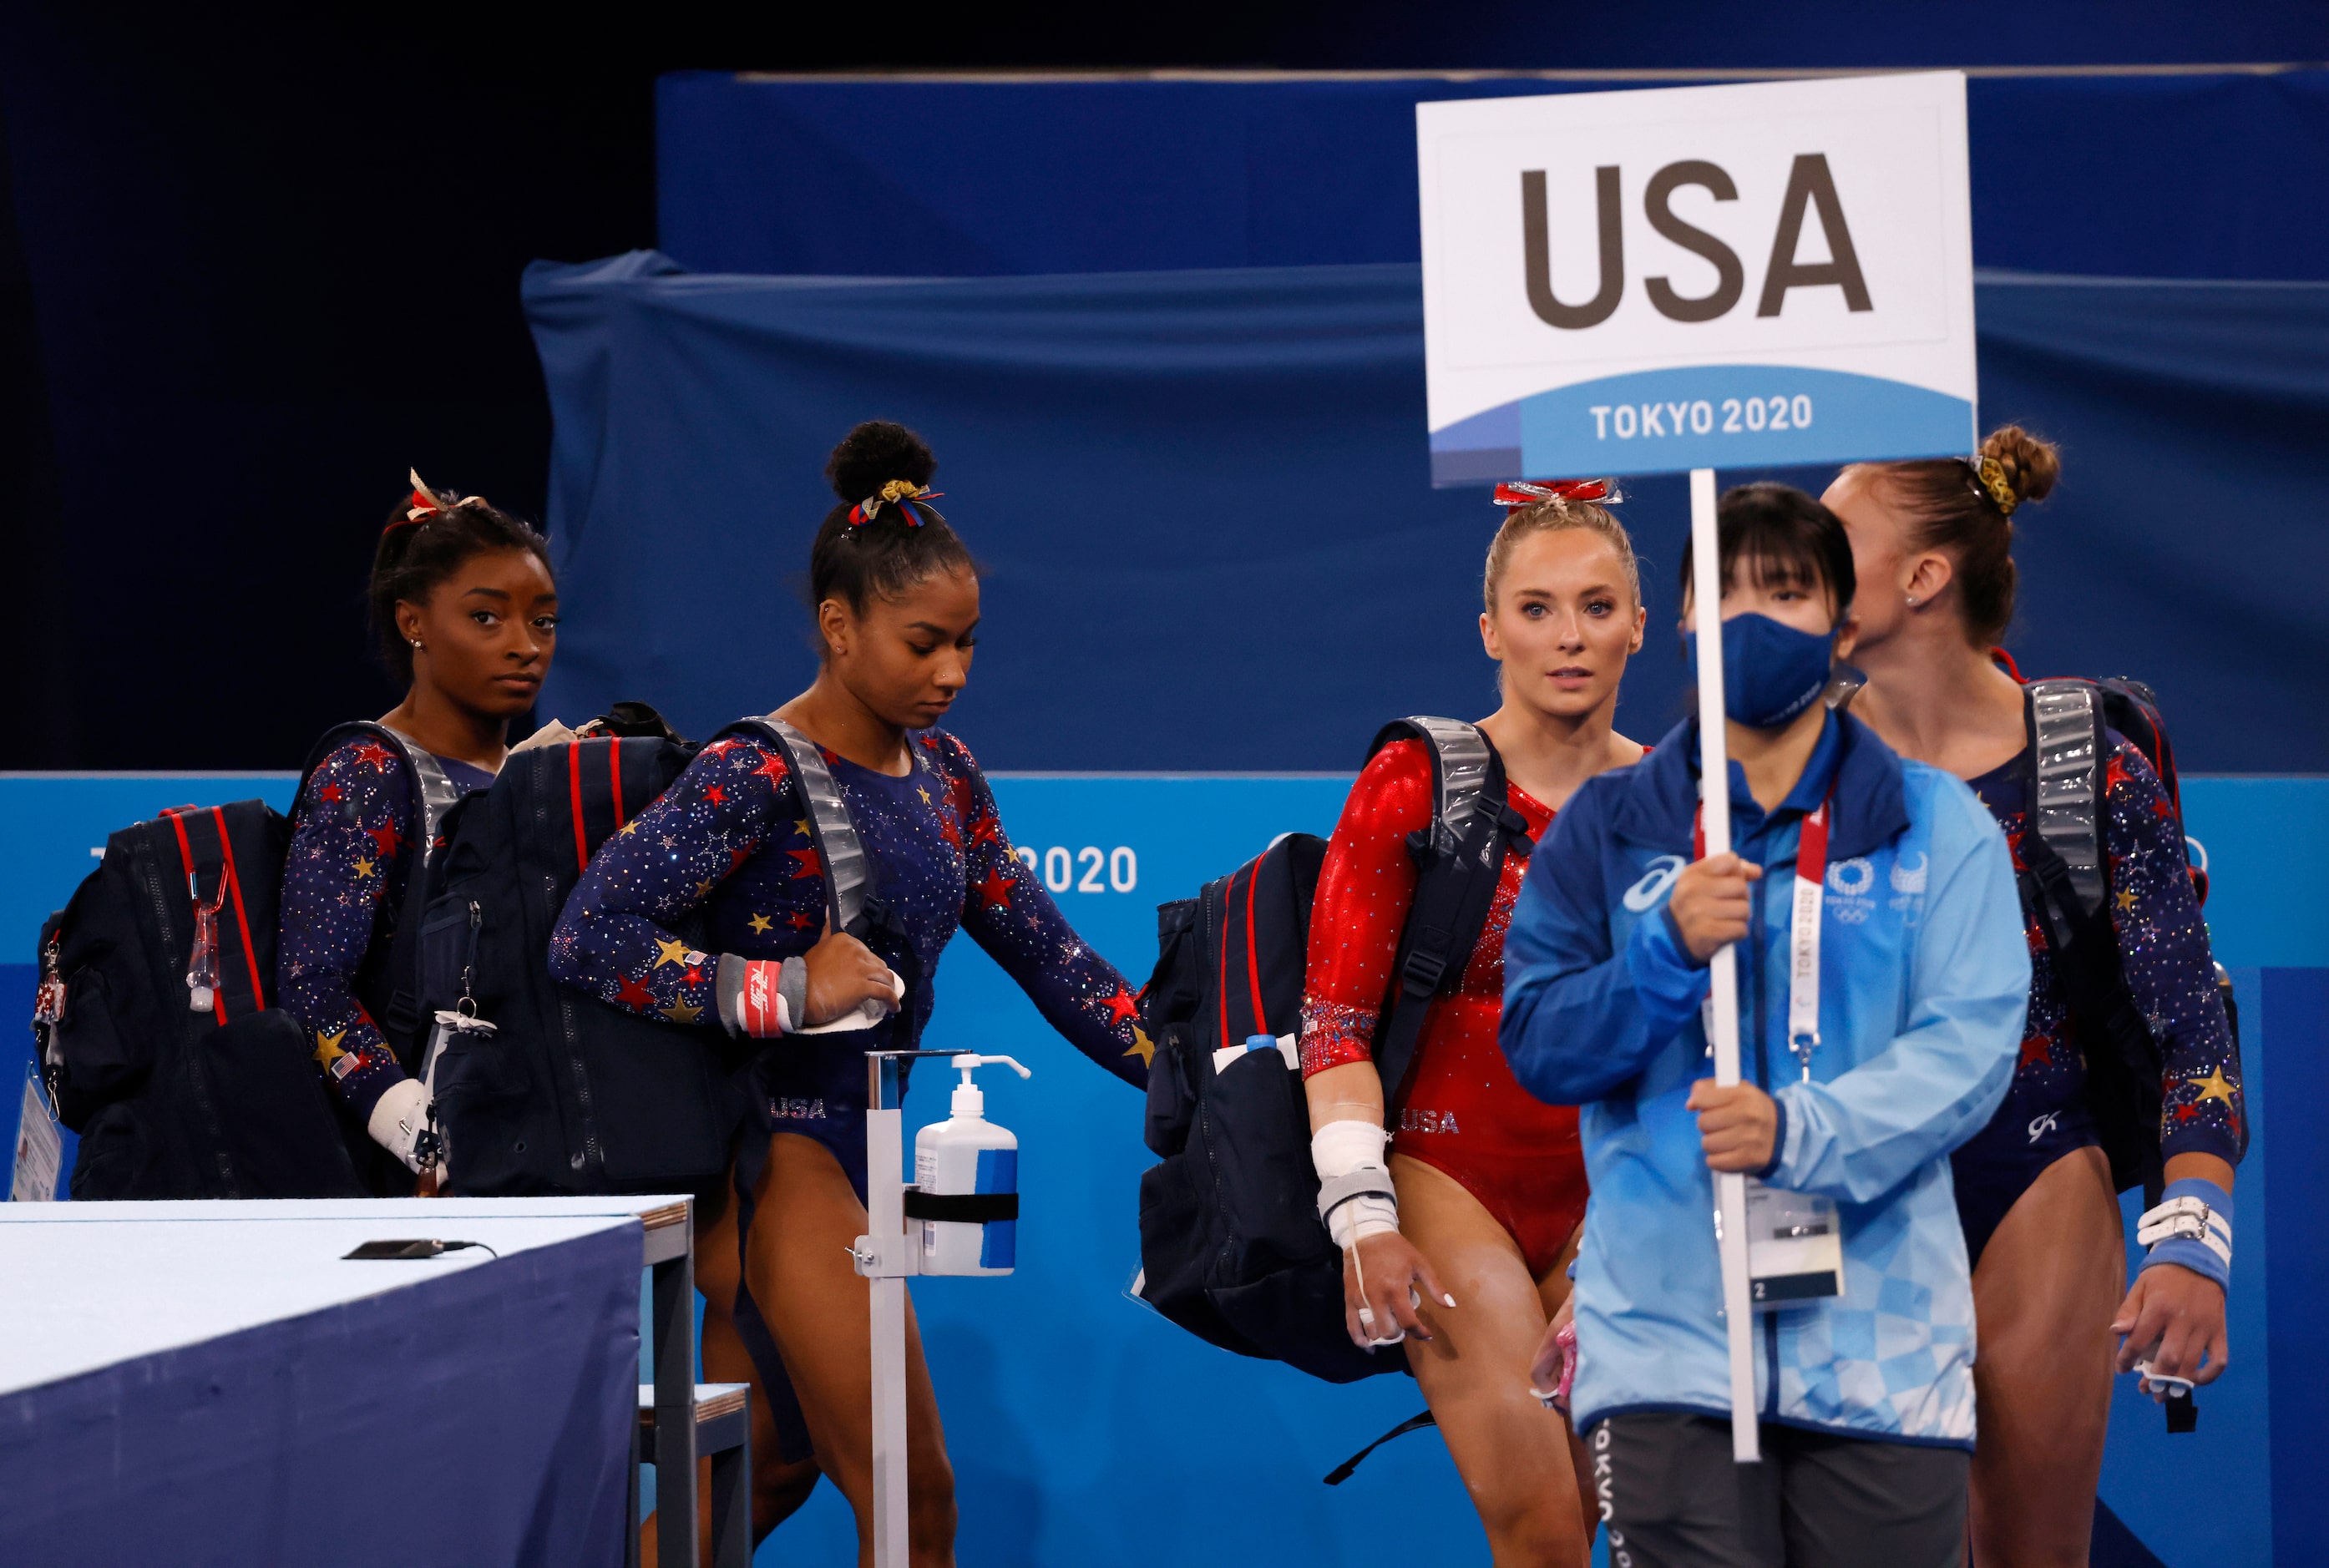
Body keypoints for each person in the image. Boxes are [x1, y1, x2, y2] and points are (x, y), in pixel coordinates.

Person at [549, 421, 1149, 1566]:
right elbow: (589, 937)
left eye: (968, 644)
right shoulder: (756, 770)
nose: (953, 673)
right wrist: (779, 987)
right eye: (925, 643)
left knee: (757, 1469)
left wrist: (1183, 1070)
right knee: (913, 1502)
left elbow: (1054, 958)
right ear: (839, 626)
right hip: (765, 1160)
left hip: (855, 1153)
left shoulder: (950, 776)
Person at [1499, 483, 2030, 1568]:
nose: (1750, 617)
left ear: (1842, 623)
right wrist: (1663, 955)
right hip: (1663, 1353)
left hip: (1882, 1358)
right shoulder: (1607, 829)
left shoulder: (1937, 823)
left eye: (1785, 591)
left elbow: (1971, 1045)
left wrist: (1802, 1131)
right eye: (1725, 590)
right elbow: (1543, 1041)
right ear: (1684, 617)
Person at [1822, 430, 2243, 1567]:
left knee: (2026, 1556)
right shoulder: (1779, 765)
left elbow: (2187, 1018)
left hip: (2035, 1156)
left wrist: (2190, 1236)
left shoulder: (2084, 765)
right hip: (1847, 1184)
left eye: (1833, 541)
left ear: (1923, 578)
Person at [1300, 481, 1643, 1565]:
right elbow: (1335, 1026)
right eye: (1537, 608)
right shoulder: (1416, 781)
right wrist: (1362, 1216)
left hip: (1630, 1191)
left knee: (1614, 1523)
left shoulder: (1688, 798)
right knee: (1542, 1531)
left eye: (1597, 605)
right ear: (1490, 628)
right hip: (1453, 1182)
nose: (1569, 636)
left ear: (1640, 620)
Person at [277, 474, 556, 1186]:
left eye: (543, 621)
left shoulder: (548, 774)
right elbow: (312, 990)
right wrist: (419, 1131)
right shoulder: (367, 771)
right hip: (401, 1177)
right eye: (487, 619)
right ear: (414, 624)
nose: (525, 646)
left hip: (530, 1149)